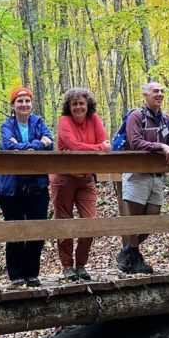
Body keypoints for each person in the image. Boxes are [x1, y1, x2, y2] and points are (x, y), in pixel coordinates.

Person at [117, 81, 169, 274]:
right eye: (156, 91)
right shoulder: (136, 116)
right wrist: (161, 147)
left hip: (157, 175)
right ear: (145, 95)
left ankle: (129, 252)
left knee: (152, 220)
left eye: (162, 91)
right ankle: (135, 259)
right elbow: (136, 141)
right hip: (137, 173)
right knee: (136, 219)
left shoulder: (166, 119)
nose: (160, 94)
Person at [0, 87, 54, 288]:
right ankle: (16, 275)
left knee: (36, 229)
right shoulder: (7, 125)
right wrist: (36, 144)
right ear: (13, 105)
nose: (24, 105)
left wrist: (29, 145)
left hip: (37, 184)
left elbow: (50, 143)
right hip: (11, 186)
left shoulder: (39, 122)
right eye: (19, 101)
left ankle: (32, 273)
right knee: (14, 229)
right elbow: (8, 145)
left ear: (32, 104)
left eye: (27, 101)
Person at [50, 87, 109, 281]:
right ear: (69, 106)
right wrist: (99, 148)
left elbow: (105, 141)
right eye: (74, 104)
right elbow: (75, 145)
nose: (78, 107)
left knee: (90, 222)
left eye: (81, 103)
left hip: (86, 178)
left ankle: (81, 264)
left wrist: (100, 146)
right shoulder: (64, 121)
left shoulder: (94, 119)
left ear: (88, 104)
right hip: (63, 178)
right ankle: (67, 266)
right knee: (64, 223)